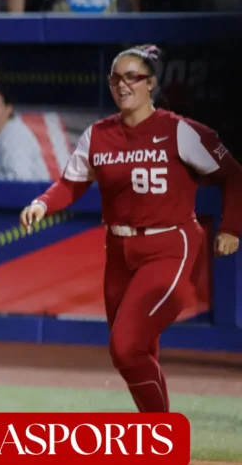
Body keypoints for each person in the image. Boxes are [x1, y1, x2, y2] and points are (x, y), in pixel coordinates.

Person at [19, 45, 241, 422]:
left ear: (151, 83)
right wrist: (42, 203)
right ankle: (158, 437)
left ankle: (161, 434)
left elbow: (233, 175)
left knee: (125, 346)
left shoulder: (179, 130)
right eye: (115, 78)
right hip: (120, 251)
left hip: (171, 247)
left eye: (132, 77)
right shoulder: (99, 134)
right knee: (137, 352)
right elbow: (71, 183)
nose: (122, 85)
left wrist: (232, 227)